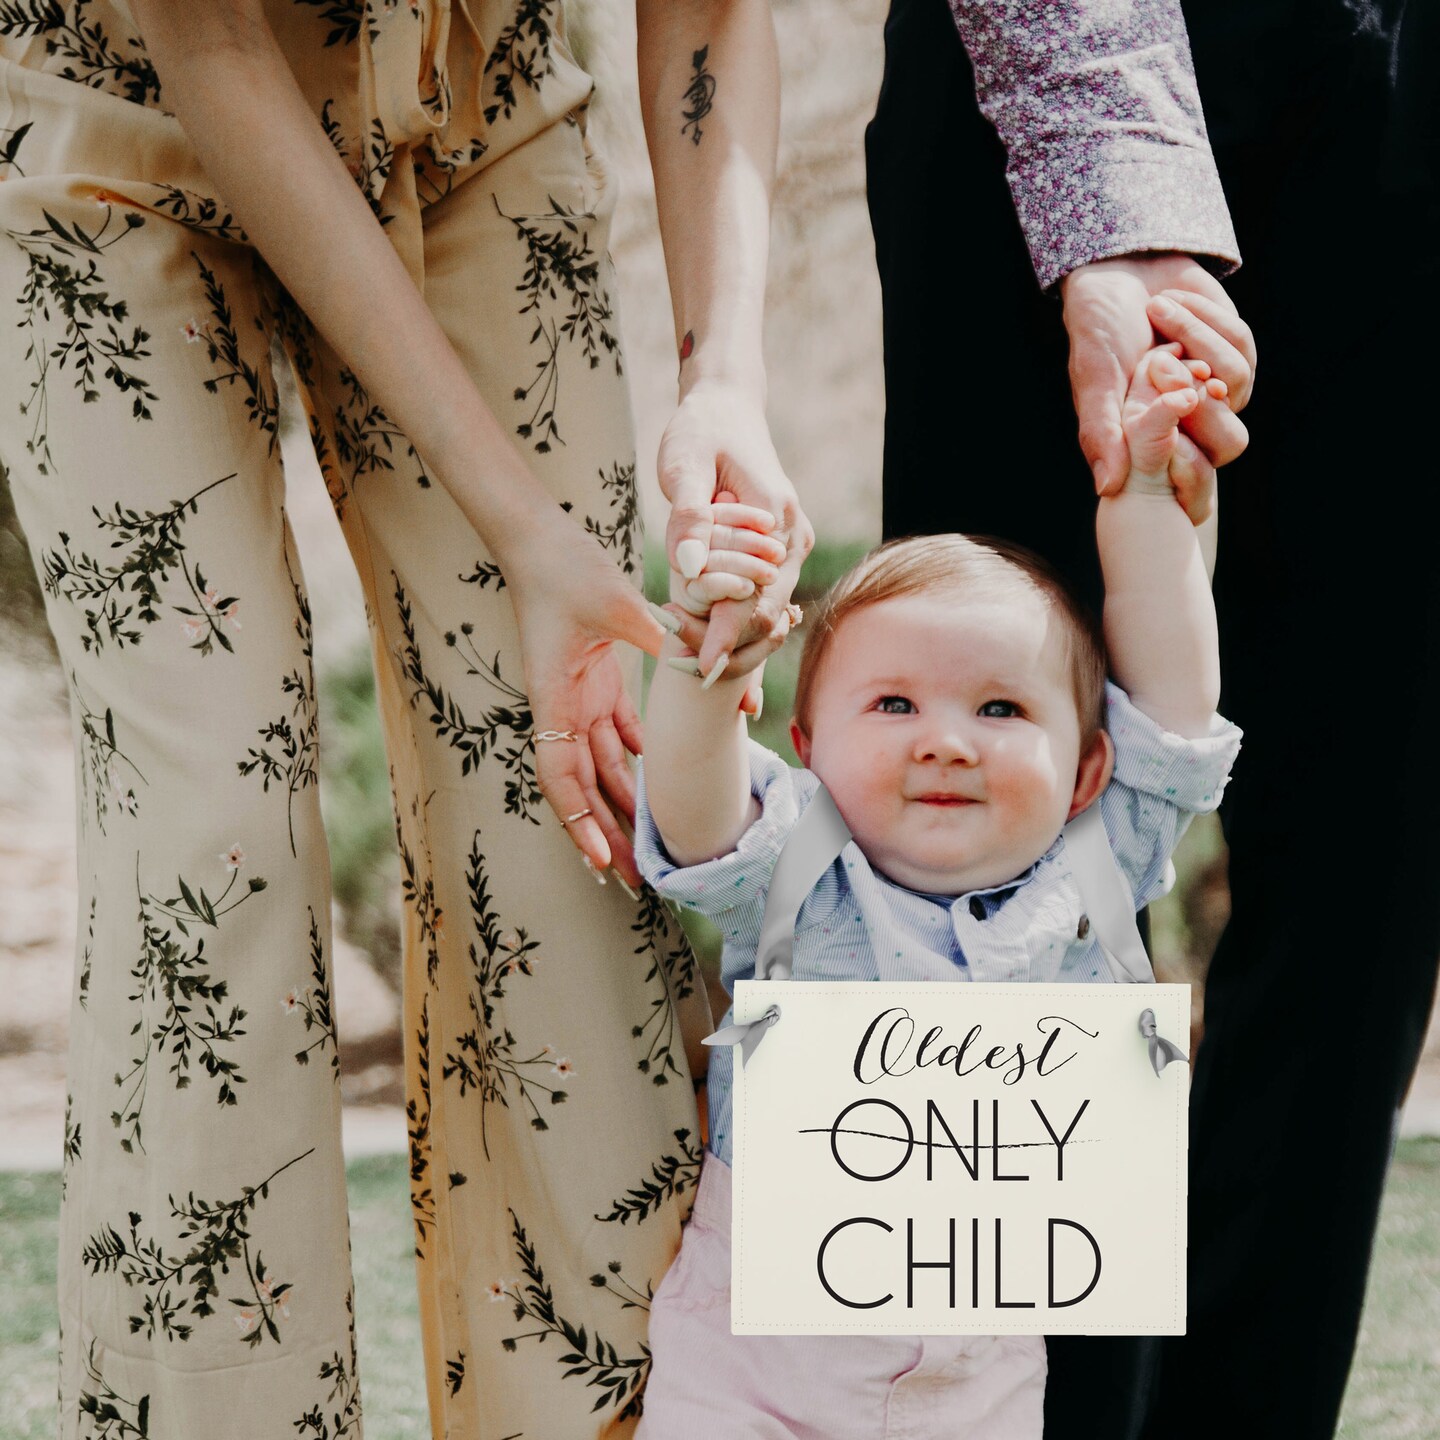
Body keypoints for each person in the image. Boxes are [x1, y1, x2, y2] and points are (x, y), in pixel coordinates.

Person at [0, 1, 808, 1436]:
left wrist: (723, 378)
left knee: (566, 794)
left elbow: (713, 13)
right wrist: (528, 530)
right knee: (218, 831)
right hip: (115, 125)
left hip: (477, 114)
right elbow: (221, 60)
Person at [867, 3, 1438, 1435]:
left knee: (1374, 860)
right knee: (964, 845)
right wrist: (1105, 190)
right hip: (1033, 68)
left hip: (1408, 118)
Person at [631, 345, 1242, 1437]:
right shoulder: (802, 868)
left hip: (979, 1373)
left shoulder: (1096, 867)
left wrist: (1146, 495)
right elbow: (691, 809)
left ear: (1090, 771)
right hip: (753, 1362)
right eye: (896, 706)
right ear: (809, 748)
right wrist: (705, 667)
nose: (948, 743)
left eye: (1001, 710)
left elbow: (1180, 715)